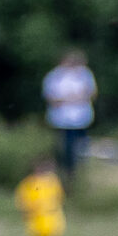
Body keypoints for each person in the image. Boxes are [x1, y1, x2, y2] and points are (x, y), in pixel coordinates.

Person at [42, 51, 96, 182]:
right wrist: (72, 98)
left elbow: (91, 93)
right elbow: (51, 98)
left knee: (81, 146)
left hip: (80, 119)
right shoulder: (54, 76)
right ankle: (66, 172)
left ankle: (79, 172)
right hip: (61, 120)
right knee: (65, 148)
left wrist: (71, 98)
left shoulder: (84, 74)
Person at [14, 159, 65, 236]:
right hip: (37, 223)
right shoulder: (29, 184)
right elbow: (22, 201)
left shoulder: (52, 182)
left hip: (52, 222)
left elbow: (59, 198)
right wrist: (27, 211)